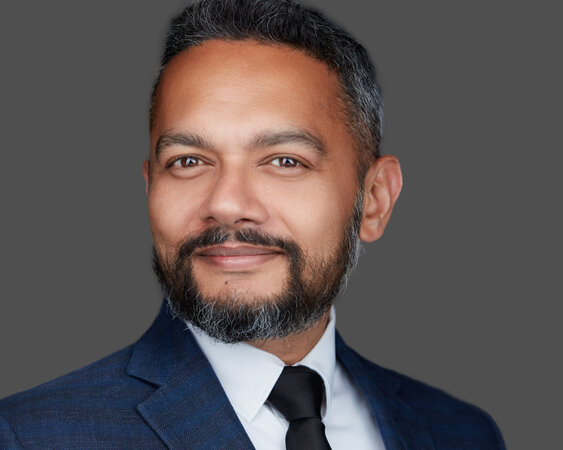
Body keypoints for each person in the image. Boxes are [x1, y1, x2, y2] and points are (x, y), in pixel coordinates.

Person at [0, 0, 505, 448]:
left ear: (374, 200)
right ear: (150, 186)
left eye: (284, 161)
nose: (226, 204)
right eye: (188, 161)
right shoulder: (31, 436)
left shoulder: (461, 433)